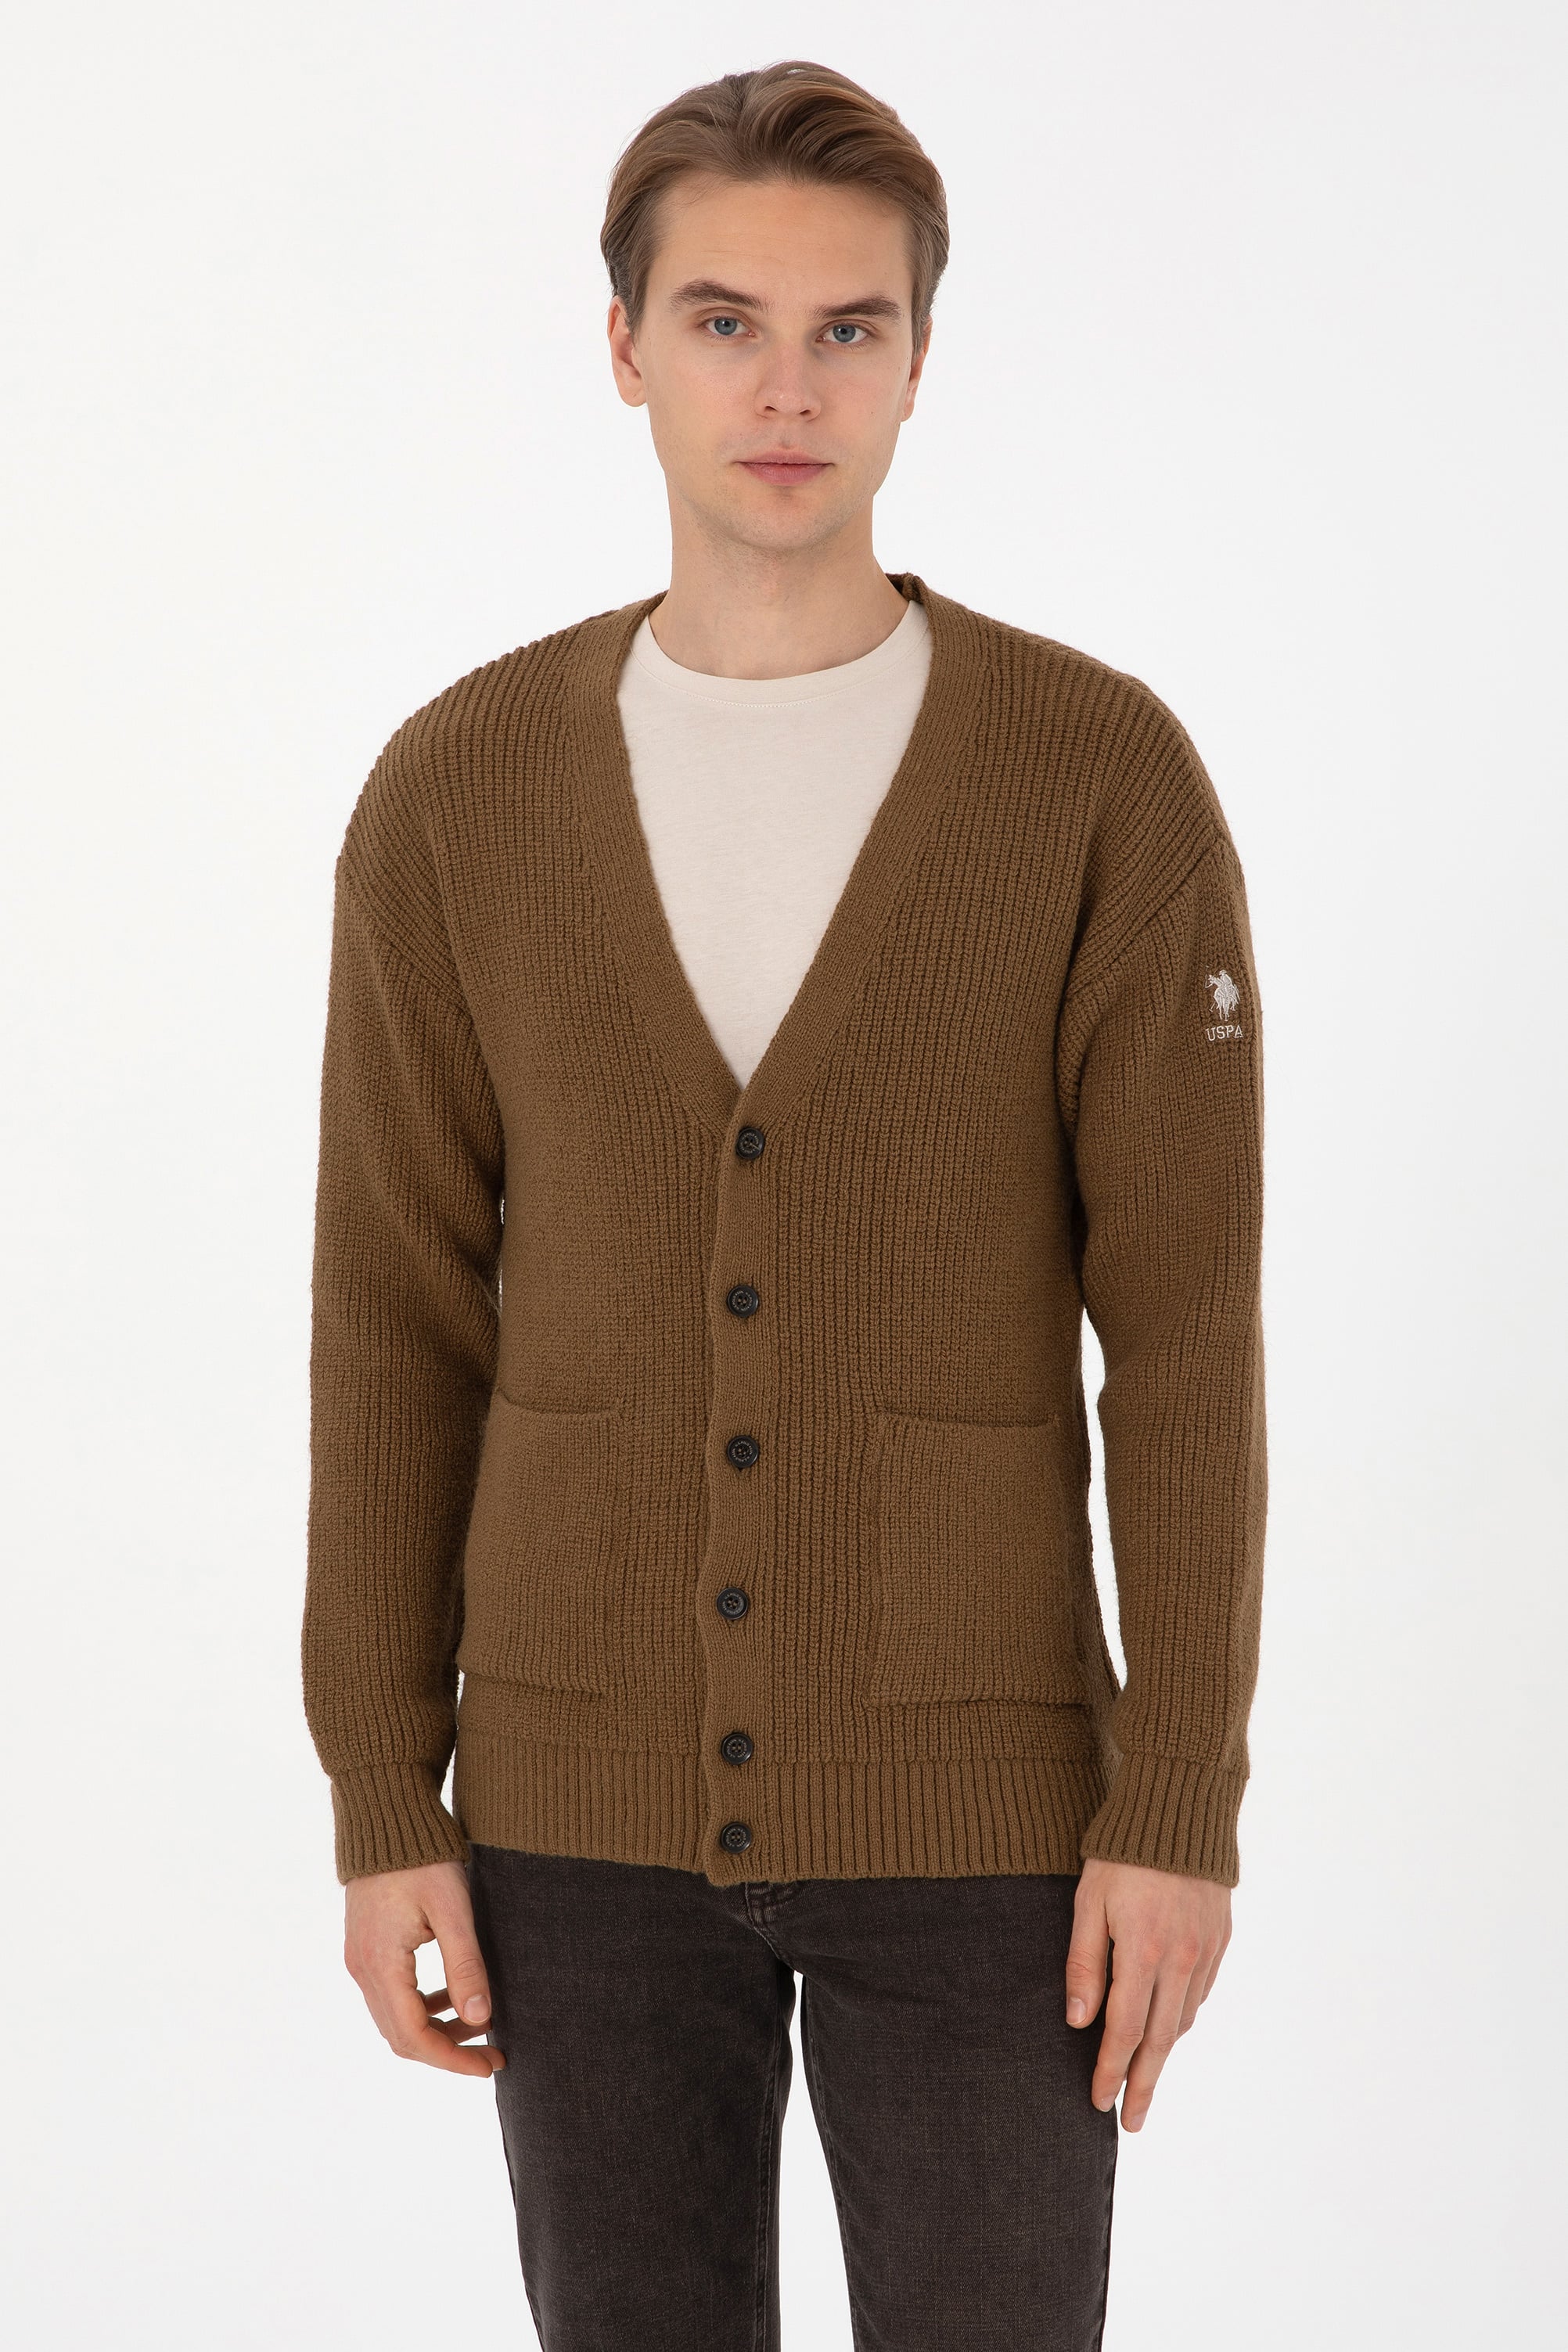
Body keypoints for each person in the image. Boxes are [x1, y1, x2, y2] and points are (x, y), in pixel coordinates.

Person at [301, 58, 1267, 2352]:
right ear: (623, 347)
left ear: (921, 360)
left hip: (989, 1819)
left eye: (849, 329)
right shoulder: (458, 793)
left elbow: (1186, 1338)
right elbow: (394, 1322)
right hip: (574, 1817)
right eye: (723, 321)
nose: (787, 388)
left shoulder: (1094, 779)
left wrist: (1178, 1803)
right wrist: (380, 1790)